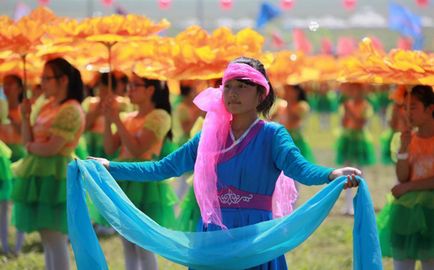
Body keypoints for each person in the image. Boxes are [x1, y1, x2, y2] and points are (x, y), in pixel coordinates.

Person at [91, 57, 360, 270]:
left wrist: (332, 174)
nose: (233, 92)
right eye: (228, 85)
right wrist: (110, 166)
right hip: (214, 234)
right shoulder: (208, 137)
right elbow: (163, 168)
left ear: (261, 94)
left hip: (254, 234)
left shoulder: (272, 135)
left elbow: (301, 169)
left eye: (242, 86)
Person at [12, 58, 85, 270]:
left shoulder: (71, 109)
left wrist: (32, 146)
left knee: (55, 238)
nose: (41, 82)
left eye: (46, 78)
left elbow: (51, 148)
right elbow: (29, 139)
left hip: (56, 176)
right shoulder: (46, 106)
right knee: (47, 237)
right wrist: (25, 117)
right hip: (40, 174)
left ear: (63, 80)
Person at [102, 73, 178, 270]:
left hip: (145, 182)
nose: (129, 89)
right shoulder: (128, 117)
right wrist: (108, 118)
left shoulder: (160, 116)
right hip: (124, 180)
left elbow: (138, 149)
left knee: (144, 245)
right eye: (129, 84)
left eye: (135, 85)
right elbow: (110, 149)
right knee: (127, 243)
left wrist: (117, 120)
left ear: (150, 89)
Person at [377, 85, 434, 270]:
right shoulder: (406, 139)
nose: (408, 113)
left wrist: (409, 187)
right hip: (407, 210)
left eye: (414, 107)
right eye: (406, 108)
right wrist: (403, 149)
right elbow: (402, 177)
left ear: (430, 108)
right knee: (401, 263)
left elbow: (406, 184)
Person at [335, 82, 375, 215]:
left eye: (358, 90)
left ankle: (360, 202)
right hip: (348, 138)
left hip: (360, 139)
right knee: (347, 171)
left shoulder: (365, 105)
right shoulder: (347, 105)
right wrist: (346, 113)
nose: (354, 93)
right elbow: (344, 123)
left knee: (359, 172)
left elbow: (360, 123)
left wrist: (349, 112)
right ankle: (347, 204)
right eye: (352, 90)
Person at [0, 75, 26, 255]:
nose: (6, 87)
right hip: (3, 160)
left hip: (21, 160)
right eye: (4, 84)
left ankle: (18, 246)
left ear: (19, 87)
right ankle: (4, 245)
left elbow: (26, 137)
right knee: (2, 204)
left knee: (19, 203)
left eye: (10, 84)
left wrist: (15, 119)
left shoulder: (25, 109)